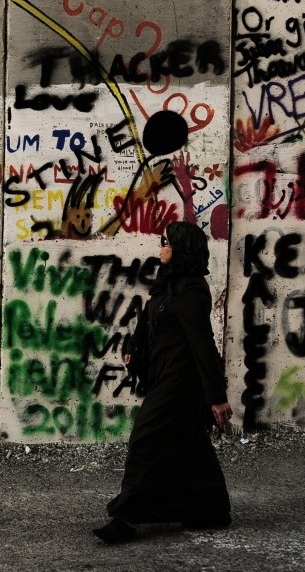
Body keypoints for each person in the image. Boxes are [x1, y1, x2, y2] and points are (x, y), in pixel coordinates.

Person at [94, 220, 233, 544]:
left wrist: (216, 396)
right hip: (164, 375)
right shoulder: (168, 281)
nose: (161, 247)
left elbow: (203, 344)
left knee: (145, 439)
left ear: (182, 249)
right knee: (190, 446)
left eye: (166, 242)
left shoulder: (193, 290)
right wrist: (133, 348)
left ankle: (125, 519)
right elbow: (148, 321)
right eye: (162, 240)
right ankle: (210, 509)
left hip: (182, 383)